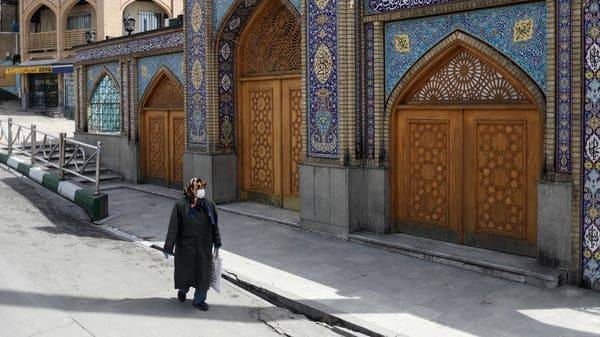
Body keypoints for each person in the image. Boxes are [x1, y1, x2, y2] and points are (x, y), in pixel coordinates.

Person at [163, 177, 222, 311]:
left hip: (204, 245)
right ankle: (183, 290)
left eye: (202, 188)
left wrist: (217, 242)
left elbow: (215, 226)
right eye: (198, 188)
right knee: (186, 274)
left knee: (203, 275)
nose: (201, 191)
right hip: (186, 247)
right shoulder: (180, 205)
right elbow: (173, 227)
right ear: (191, 189)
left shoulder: (209, 205)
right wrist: (168, 247)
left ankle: (199, 300)